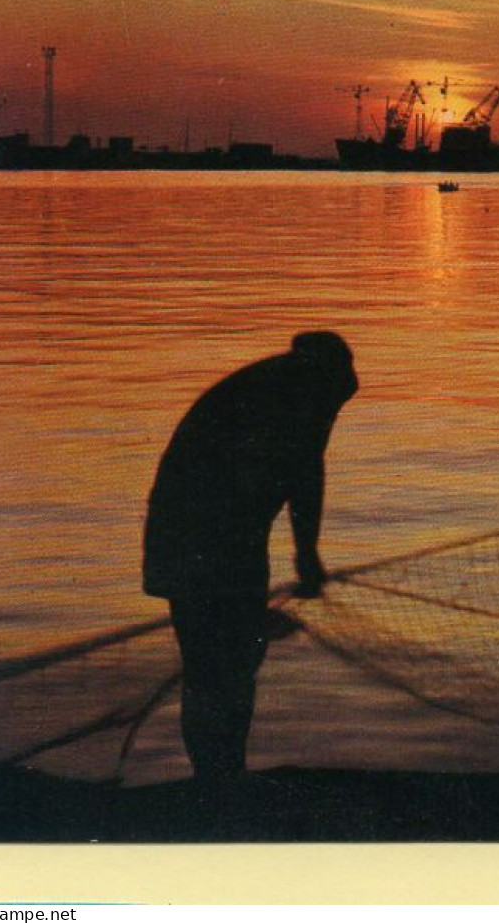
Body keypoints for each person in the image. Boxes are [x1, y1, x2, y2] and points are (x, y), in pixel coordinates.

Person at [143, 331, 358, 779]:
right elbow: (303, 476)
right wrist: (306, 555)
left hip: (201, 534)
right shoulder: (302, 390)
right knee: (221, 662)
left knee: (221, 661)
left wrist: (305, 552)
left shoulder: (279, 382)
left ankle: (219, 773)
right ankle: (219, 778)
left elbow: (305, 469)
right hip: (208, 538)